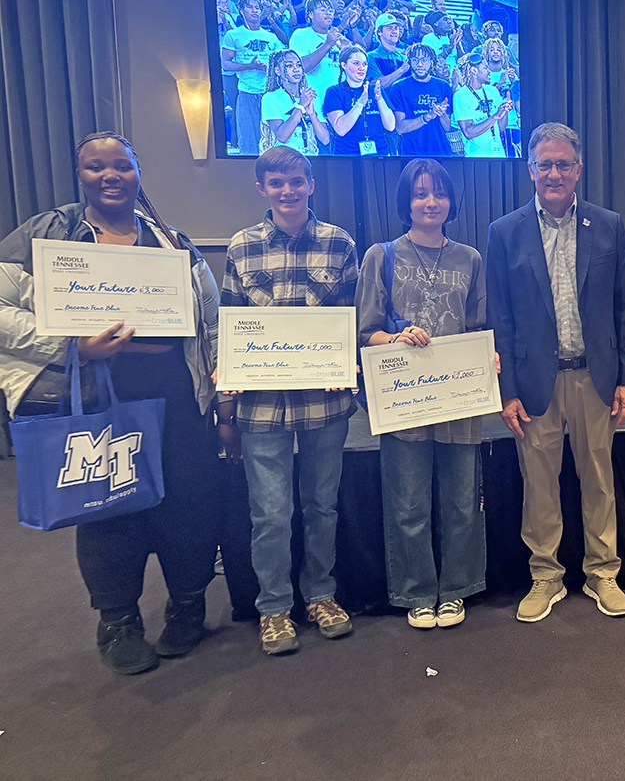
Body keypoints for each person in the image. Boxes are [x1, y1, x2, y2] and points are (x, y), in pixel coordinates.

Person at [0, 132, 230, 674]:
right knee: (107, 506)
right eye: (95, 167)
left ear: (137, 173)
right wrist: (70, 345)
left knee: (189, 504)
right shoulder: (48, 236)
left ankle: (188, 605)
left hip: (178, 392)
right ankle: (118, 621)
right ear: (79, 175)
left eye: (121, 166)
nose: (110, 176)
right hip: (98, 393)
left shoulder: (174, 242)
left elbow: (213, 324)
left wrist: (221, 389)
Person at [486, 123, 625, 622]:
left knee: (598, 479)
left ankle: (602, 573)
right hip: (535, 382)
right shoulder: (504, 232)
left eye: (563, 164)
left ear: (579, 169)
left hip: (594, 377)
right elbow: (501, 320)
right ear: (530, 170)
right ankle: (546, 576)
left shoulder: (609, 225)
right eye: (544, 164)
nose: (554, 173)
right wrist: (507, 390)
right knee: (540, 483)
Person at [221, 146, 358, 655]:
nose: (287, 191)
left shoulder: (339, 244)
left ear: (311, 184)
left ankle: (321, 595)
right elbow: (228, 329)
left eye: (296, 181)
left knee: (322, 506)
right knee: (271, 514)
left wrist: (343, 367)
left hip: (324, 403)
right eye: (276, 183)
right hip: (261, 405)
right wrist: (224, 407)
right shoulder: (240, 247)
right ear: (262, 189)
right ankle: (274, 607)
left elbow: (351, 321)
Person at [356, 160, 488, 628]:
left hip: (459, 400)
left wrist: (487, 358)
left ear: (451, 200)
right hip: (404, 401)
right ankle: (416, 592)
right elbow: (365, 331)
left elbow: (479, 328)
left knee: (460, 502)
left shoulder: (470, 258)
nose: (430, 202)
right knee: (408, 504)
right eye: (420, 194)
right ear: (405, 202)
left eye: (438, 194)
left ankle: (455, 589)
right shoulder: (381, 255)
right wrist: (395, 339)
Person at [221, 0, 284, 155]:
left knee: (272, 143)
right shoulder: (233, 35)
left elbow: (282, 64)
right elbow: (225, 64)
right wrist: (250, 66)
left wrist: (267, 68)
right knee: (248, 144)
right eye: (250, 7)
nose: (254, 10)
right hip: (246, 95)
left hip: (269, 95)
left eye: (257, 7)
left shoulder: (271, 37)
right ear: (241, 11)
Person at [323, 46, 396, 156]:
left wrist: (380, 100)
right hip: (347, 156)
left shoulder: (375, 89)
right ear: (344, 65)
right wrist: (360, 103)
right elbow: (341, 129)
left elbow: (390, 126)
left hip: (379, 153)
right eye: (356, 63)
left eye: (364, 64)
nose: (361, 68)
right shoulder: (334, 92)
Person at [289, 0, 348, 126]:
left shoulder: (339, 38)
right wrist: (327, 45)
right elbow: (301, 67)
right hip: (316, 103)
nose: (328, 13)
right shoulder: (301, 35)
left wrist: (348, 51)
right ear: (310, 14)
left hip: (341, 103)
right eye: (322, 9)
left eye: (330, 10)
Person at [260, 49, 331, 154]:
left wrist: (312, 114)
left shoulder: (312, 98)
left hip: (309, 158)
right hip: (282, 158)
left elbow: (325, 139)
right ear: (277, 71)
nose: (296, 69)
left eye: (298, 65)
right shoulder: (270, 98)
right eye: (289, 66)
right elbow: (282, 136)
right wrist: (301, 106)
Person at [389, 44, 454, 157]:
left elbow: (447, 127)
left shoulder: (443, 86)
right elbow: (400, 128)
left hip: (441, 152)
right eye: (415, 60)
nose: (420, 64)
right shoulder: (398, 87)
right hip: (411, 154)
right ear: (409, 62)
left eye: (424, 60)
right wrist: (427, 116)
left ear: (432, 62)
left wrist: (441, 114)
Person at [452, 52, 511, 157]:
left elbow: (501, 127)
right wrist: (495, 116)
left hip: (499, 155)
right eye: (485, 68)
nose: (489, 71)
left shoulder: (492, 91)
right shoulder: (460, 96)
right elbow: (468, 133)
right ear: (474, 71)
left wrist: (504, 111)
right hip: (476, 158)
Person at [422, 11, 459, 80]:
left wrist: (458, 44)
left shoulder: (451, 37)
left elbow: (460, 61)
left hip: (456, 78)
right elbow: (432, 61)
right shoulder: (429, 38)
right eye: (445, 19)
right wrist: (450, 48)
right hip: (439, 79)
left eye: (449, 19)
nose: (449, 22)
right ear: (436, 23)